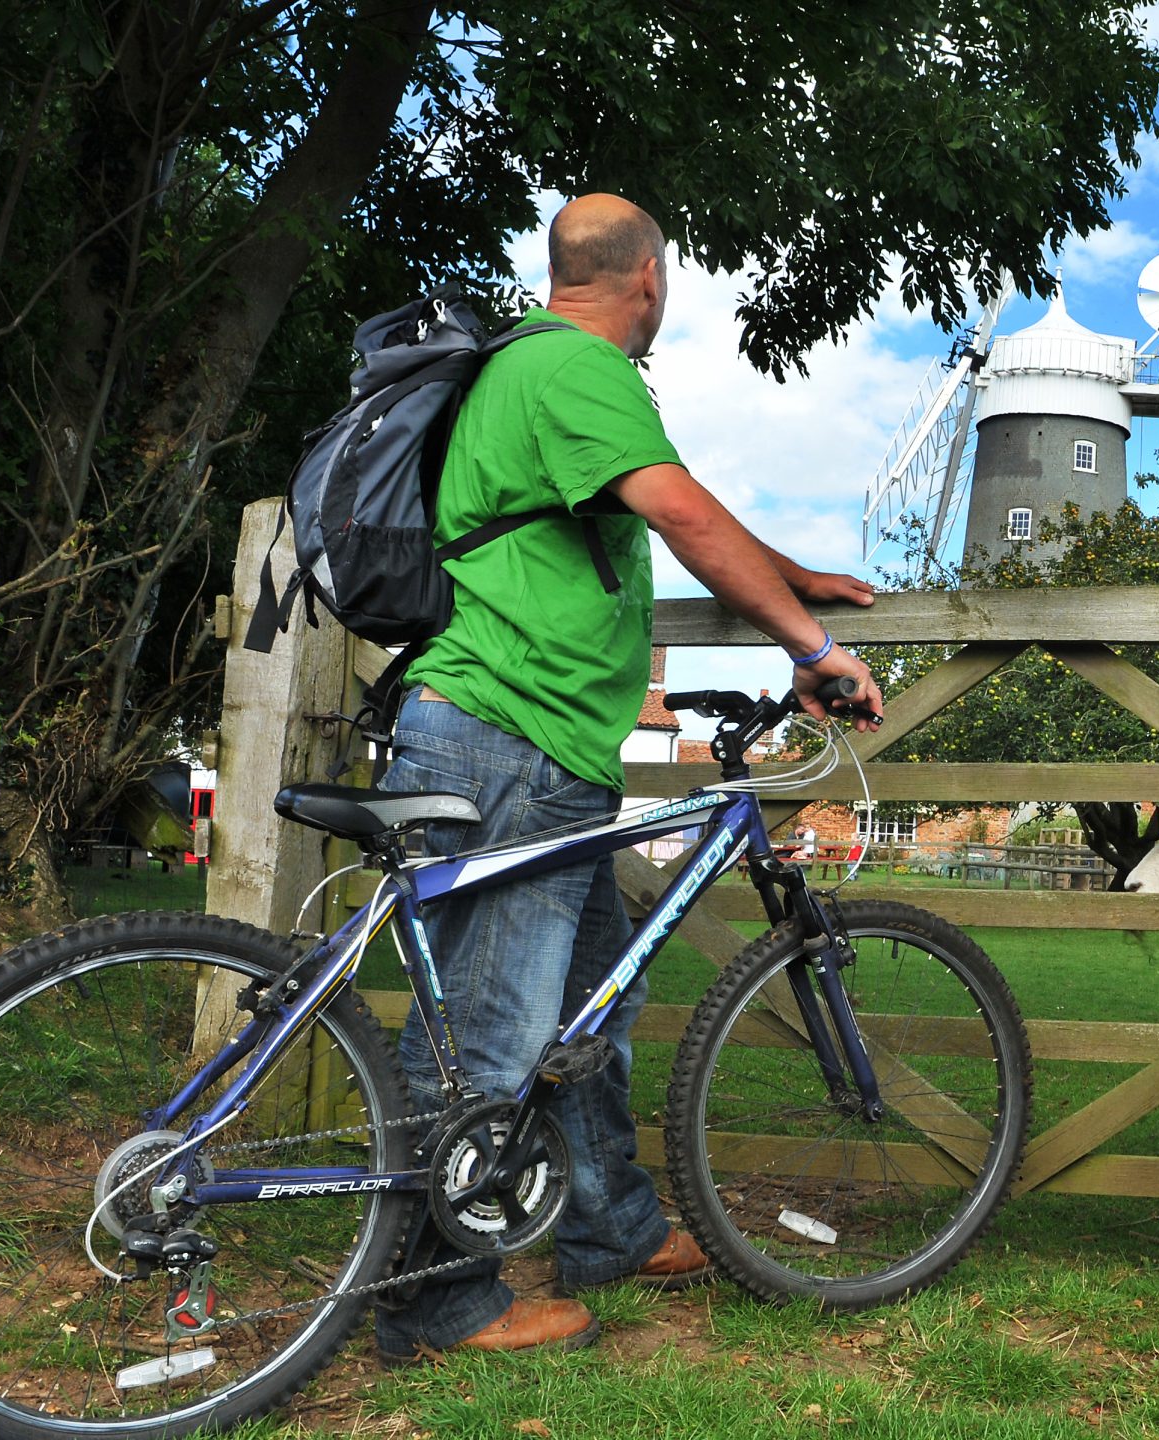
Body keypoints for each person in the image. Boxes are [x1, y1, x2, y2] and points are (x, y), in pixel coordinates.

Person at [372, 194, 884, 1366]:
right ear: (646, 277)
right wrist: (810, 647)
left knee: (590, 1008)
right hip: (509, 733)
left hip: (537, 742)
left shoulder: (530, 372)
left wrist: (797, 575)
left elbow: (666, 518)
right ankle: (435, 1297)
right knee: (494, 1038)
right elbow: (682, 512)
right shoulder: (573, 367)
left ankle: (609, 1228)